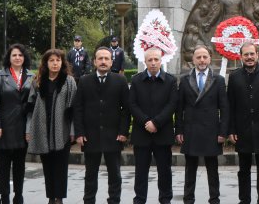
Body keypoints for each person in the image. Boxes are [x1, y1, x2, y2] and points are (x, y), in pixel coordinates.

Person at [74, 47, 131, 204]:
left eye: (106, 58)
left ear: (111, 62)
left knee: (115, 175)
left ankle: (114, 201)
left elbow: (126, 110)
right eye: (100, 58)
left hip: (114, 136)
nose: (103, 61)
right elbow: (78, 108)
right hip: (90, 136)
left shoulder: (120, 81)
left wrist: (123, 132)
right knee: (90, 175)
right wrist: (79, 133)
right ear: (94, 61)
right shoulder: (85, 81)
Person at [177, 45, 230, 204]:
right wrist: (179, 130)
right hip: (191, 130)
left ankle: (214, 199)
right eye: (198, 57)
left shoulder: (218, 80)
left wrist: (223, 132)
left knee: (213, 170)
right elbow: (179, 109)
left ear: (210, 58)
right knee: (190, 169)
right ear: (193, 59)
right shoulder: (185, 79)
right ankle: (188, 199)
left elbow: (225, 109)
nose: (201, 60)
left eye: (204, 57)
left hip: (211, 132)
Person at [228, 41, 259, 204]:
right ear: (241, 57)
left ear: (257, 55)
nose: (249, 57)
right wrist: (231, 129)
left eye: (252, 54)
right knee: (243, 170)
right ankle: (244, 200)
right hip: (242, 131)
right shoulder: (234, 76)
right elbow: (230, 106)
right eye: (246, 55)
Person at [26, 48, 77, 204]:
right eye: (51, 60)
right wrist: (28, 130)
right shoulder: (38, 81)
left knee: (61, 166)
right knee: (47, 166)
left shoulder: (69, 81)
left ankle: (59, 198)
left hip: (62, 129)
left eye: (58, 60)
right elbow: (30, 108)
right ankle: (50, 197)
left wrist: (73, 131)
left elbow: (74, 108)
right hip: (42, 129)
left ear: (62, 62)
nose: (55, 63)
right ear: (46, 63)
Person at [129, 47, 179, 204]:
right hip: (142, 133)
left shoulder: (170, 80)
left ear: (161, 60)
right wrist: (146, 122)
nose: (153, 63)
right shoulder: (136, 80)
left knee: (165, 171)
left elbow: (172, 104)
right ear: (145, 62)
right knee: (140, 172)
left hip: (162, 133)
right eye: (149, 60)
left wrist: (156, 122)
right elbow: (132, 104)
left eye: (156, 59)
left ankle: (165, 200)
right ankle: (139, 200)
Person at [0, 44, 34, 204]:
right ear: (9, 57)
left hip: (22, 126)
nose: (17, 58)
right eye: (14, 55)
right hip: (4, 125)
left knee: (20, 164)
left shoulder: (31, 76)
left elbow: (33, 102)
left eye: (20, 55)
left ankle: (18, 195)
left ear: (24, 58)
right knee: (3, 164)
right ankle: (4, 196)